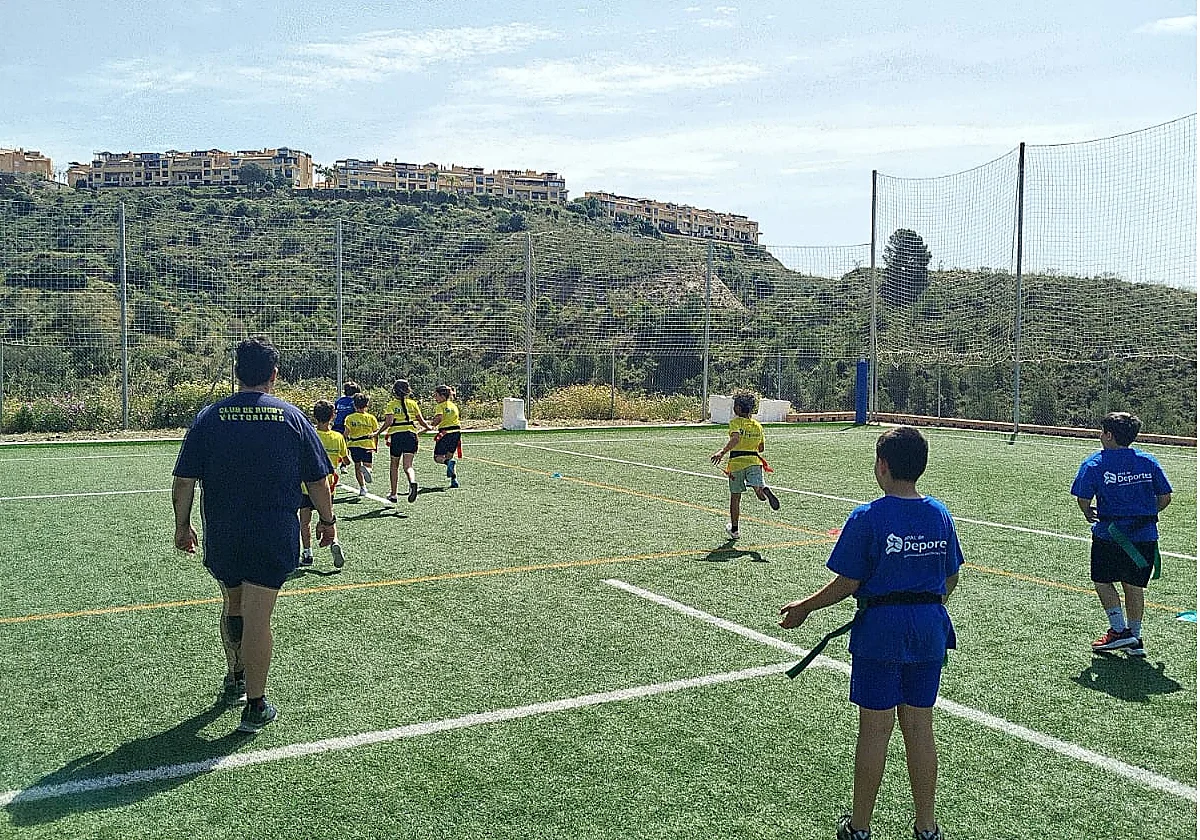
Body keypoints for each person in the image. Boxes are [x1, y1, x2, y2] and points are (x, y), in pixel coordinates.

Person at [779, 426, 961, 840]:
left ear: (882, 466)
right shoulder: (939, 513)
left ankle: (860, 826)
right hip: (929, 630)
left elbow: (848, 582)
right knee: (920, 726)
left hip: (881, 632)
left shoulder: (868, 517)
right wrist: (925, 606)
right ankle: (927, 827)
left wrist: (805, 607)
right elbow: (951, 576)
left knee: (876, 729)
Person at [171, 336, 337, 734]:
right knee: (259, 617)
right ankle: (256, 705)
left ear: (237, 373)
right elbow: (318, 481)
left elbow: (184, 480)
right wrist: (327, 520)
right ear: (274, 374)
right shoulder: (292, 418)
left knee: (234, 604)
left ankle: (235, 677)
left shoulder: (210, 416)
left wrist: (182, 525)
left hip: (224, 532)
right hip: (272, 533)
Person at [1071, 411, 1172, 657]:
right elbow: (1165, 497)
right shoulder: (1148, 461)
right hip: (1145, 536)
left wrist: (1088, 513)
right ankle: (1135, 638)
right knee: (1134, 586)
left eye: (1102, 431)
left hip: (1110, 536)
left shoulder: (1094, 463)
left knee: (1102, 581)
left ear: (1108, 435)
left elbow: (1083, 499)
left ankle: (1118, 631)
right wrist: (1144, 513)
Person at [709, 392, 779, 539]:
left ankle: (734, 530)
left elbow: (735, 439)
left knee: (735, 497)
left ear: (738, 409)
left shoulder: (736, 423)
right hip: (754, 461)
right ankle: (761, 489)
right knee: (759, 491)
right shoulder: (758, 426)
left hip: (736, 463)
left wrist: (722, 452)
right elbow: (761, 448)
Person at [299, 399, 348, 569]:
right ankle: (335, 541)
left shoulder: (309, 435)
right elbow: (345, 460)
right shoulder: (338, 437)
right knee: (328, 517)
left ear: (314, 416)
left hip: (306, 486)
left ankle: (307, 553)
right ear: (333, 416)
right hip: (328, 486)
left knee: (304, 521)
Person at [378, 379, 433, 504]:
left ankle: (393, 494)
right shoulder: (413, 404)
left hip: (397, 436)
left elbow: (389, 422)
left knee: (394, 465)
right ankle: (412, 482)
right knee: (408, 466)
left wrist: (377, 433)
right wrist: (428, 427)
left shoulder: (391, 404)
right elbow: (421, 421)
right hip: (411, 435)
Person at [343, 392, 380, 496]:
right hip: (367, 444)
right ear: (367, 405)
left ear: (354, 405)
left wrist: (344, 445)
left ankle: (362, 488)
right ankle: (367, 470)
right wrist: (375, 446)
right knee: (368, 465)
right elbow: (375, 433)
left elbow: (346, 434)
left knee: (357, 466)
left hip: (354, 445)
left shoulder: (349, 418)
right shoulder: (371, 418)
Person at [430, 384, 462, 489]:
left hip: (445, 433)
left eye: (436, 395)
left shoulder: (440, 406)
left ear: (442, 396)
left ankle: (448, 463)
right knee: (449, 456)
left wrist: (432, 424)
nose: (435, 398)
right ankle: (454, 480)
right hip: (456, 433)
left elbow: (439, 418)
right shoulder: (453, 405)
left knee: (437, 457)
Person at [332, 381, 360, 474]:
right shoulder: (354, 402)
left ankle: (340, 465)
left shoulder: (340, 400)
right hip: (346, 426)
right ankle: (343, 465)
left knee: (338, 445)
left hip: (337, 425)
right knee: (345, 445)